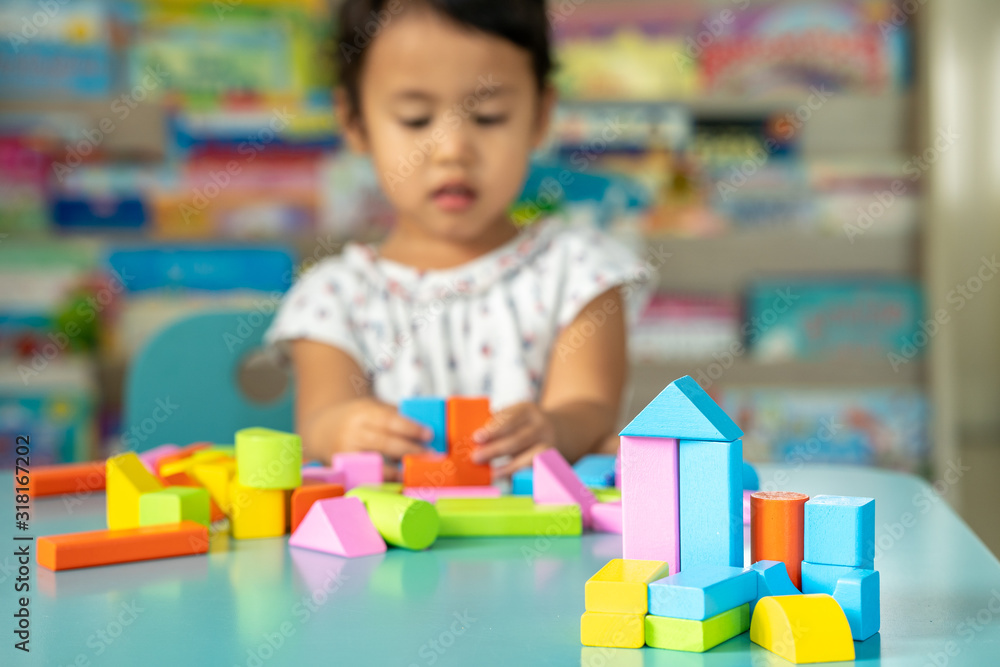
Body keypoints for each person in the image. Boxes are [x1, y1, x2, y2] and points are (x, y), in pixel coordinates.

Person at [266, 0, 649, 479]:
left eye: (488, 117)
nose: (452, 151)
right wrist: (347, 430)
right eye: (415, 119)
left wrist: (555, 429)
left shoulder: (580, 273)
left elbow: (589, 406)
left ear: (540, 115)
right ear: (355, 122)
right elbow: (321, 421)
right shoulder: (332, 298)